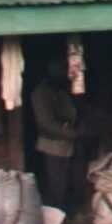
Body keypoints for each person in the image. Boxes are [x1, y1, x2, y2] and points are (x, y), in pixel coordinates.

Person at [31, 73, 86, 216]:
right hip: (52, 145)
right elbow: (45, 124)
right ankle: (58, 218)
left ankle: (68, 215)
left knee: (71, 181)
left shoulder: (62, 91)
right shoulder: (41, 93)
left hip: (68, 143)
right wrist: (74, 134)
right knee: (57, 185)